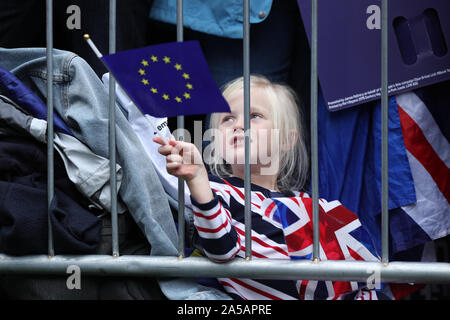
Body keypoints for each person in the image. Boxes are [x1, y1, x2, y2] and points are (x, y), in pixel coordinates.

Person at [154, 75, 388, 300]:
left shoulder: (321, 208)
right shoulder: (213, 192)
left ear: (286, 140)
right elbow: (221, 249)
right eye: (227, 119)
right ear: (215, 143)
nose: (239, 125)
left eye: (254, 116)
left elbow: (368, 278)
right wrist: (197, 179)